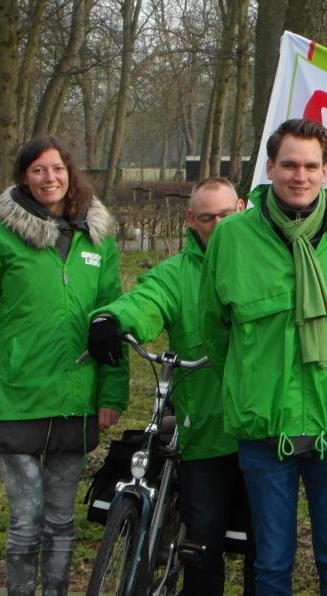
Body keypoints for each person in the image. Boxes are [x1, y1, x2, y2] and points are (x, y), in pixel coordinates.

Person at [199, 118, 327, 595]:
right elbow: (216, 331)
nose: (299, 176)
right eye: (289, 165)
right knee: (270, 566)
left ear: (326, 172)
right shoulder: (232, 237)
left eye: (310, 165)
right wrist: (252, 386)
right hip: (266, 428)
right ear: (270, 168)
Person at [0, 136, 128, 596]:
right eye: (38, 170)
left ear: (69, 173)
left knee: (60, 519)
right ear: (24, 178)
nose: (49, 178)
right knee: (27, 518)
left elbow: (112, 319)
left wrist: (111, 393)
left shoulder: (97, 237)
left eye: (56, 168)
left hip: (75, 397)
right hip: (14, 397)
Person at [85, 177, 255, 595]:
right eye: (207, 216)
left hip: (261, 428)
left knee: (264, 547)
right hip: (204, 429)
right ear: (190, 219)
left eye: (226, 215)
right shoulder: (177, 273)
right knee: (200, 545)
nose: (217, 225)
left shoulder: (266, 264)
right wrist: (114, 320)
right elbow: (147, 299)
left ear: (243, 210)